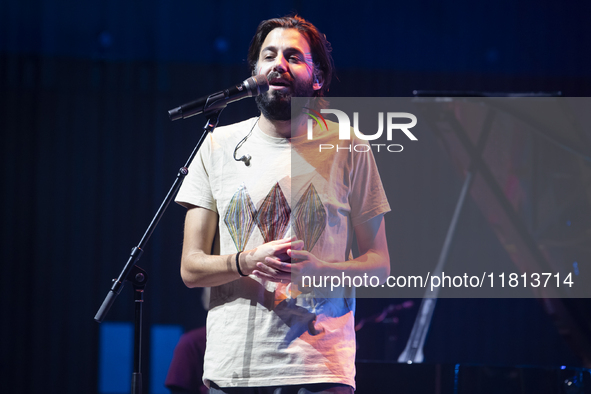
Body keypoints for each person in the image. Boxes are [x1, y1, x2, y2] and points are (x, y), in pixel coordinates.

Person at [175, 15, 390, 394]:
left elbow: (379, 265)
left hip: (319, 369)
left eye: (293, 56)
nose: (279, 64)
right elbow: (191, 268)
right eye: (269, 55)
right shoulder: (216, 145)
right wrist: (244, 261)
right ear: (255, 72)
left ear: (317, 75)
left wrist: (321, 269)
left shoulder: (348, 145)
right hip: (234, 369)